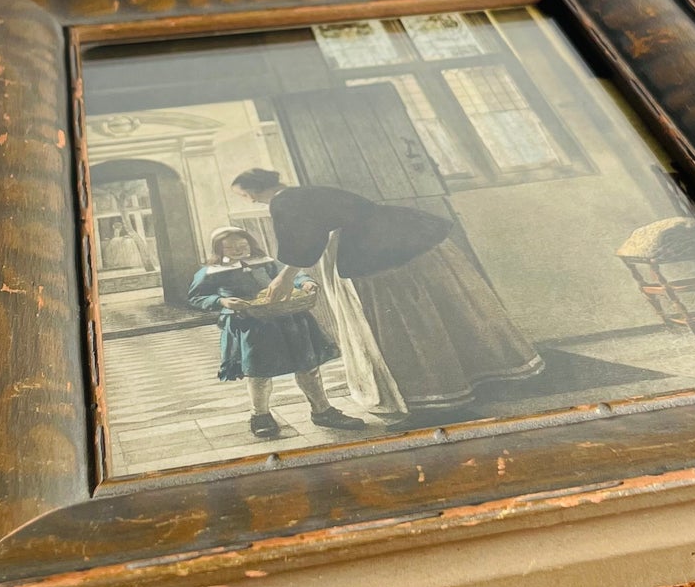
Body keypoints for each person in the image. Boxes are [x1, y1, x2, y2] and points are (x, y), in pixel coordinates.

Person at [229, 170, 542, 414]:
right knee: (441, 306)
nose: (244, 198)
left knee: (406, 314)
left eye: (242, 193)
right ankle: (480, 372)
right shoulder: (301, 192)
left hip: (369, 247)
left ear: (253, 189)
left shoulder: (284, 201)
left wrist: (285, 278)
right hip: (398, 230)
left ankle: (435, 387)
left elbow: (305, 241)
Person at [186, 226, 365, 442]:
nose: (237, 249)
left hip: (288, 320)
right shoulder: (209, 272)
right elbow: (196, 297)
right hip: (250, 325)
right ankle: (260, 416)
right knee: (259, 373)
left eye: (242, 244)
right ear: (219, 249)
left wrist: (306, 282)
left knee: (308, 367)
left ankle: (322, 411)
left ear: (250, 243)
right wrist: (222, 301)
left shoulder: (266, 262)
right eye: (230, 246)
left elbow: (293, 276)